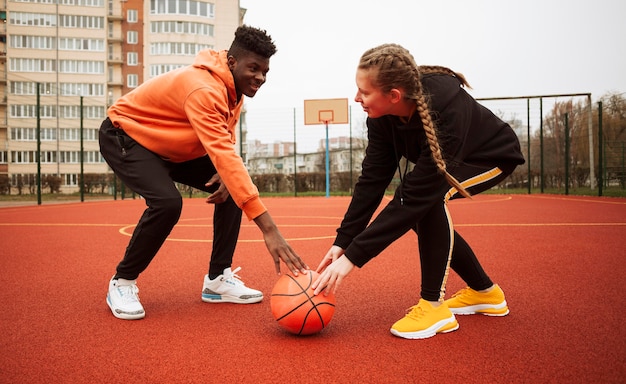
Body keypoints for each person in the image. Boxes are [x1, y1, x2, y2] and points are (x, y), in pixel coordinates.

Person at [312, 44, 525, 339]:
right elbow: (372, 180)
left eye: (364, 91)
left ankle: (433, 306)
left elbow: (416, 196)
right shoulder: (380, 118)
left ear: (394, 96)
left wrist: (353, 259)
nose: (356, 97)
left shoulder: (445, 109)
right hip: (452, 160)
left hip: (490, 156)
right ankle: (485, 292)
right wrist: (344, 240)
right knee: (419, 205)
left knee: (427, 202)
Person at [99, 25, 308, 320]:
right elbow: (223, 153)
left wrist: (226, 174)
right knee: (167, 203)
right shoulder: (204, 88)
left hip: (172, 145)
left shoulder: (233, 90)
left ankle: (217, 280)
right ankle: (122, 281)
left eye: (265, 72)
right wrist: (270, 230)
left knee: (232, 190)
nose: (260, 78)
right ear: (232, 62)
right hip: (128, 136)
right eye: (254, 68)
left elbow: (226, 141)